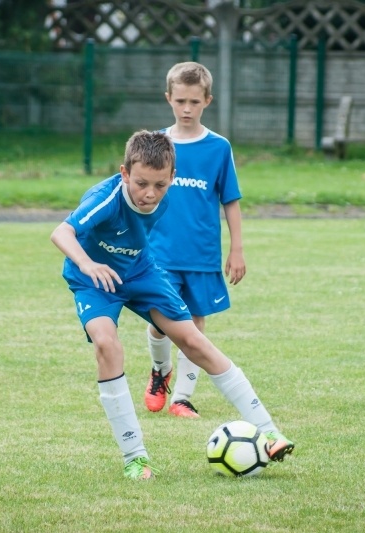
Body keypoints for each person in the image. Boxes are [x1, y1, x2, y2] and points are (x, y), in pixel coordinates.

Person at [50, 130, 293, 480]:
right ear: (124, 174)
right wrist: (88, 264)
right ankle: (135, 457)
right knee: (106, 344)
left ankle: (268, 431)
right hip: (94, 279)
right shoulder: (106, 198)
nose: (149, 193)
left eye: (160, 185)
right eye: (141, 183)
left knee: (194, 341)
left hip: (140, 271)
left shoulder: (167, 194)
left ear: (172, 179)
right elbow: (61, 232)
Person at [143, 61, 245, 419]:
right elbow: (136, 194)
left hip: (201, 255)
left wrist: (236, 249)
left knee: (195, 326)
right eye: (180, 100)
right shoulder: (155, 145)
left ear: (208, 101)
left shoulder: (218, 148)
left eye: (195, 102)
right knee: (158, 321)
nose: (187, 109)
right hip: (158, 253)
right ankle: (160, 371)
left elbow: (229, 200)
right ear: (168, 98)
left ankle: (181, 399)